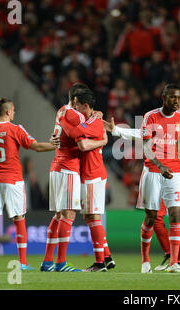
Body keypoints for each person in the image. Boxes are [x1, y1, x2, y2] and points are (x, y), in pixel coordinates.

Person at [104, 98, 180, 271]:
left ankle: (178, 261)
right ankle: (170, 254)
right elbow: (140, 134)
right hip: (160, 175)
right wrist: (117, 130)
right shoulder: (159, 122)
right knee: (156, 217)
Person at [0, 98, 57, 271]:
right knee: (19, 220)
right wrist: (55, 146)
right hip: (13, 181)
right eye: (14, 111)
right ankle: (23, 262)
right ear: (9, 112)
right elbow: (37, 147)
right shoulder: (16, 129)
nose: (14, 114)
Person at [41, 83, 104, 272]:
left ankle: (47, 262)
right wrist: (100, 134)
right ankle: (60, 263)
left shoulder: (61, 111)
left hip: (57, 166)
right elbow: (80, 138)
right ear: (77, 101)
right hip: (68, 167)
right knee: (68, 214)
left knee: (59, 215)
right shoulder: (74, 115)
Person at [138, 83, 180, 273]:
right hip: (153, 171)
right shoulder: (150, 116)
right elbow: (146, 147)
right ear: (163, 98)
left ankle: (174, 263)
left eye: (178, 98)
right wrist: (160, 165)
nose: (176, 101)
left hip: (175, 173)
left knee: (176, 216)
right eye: (172, 97)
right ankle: (145, 260)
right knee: (151, 217)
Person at [58, 88, 115, 272]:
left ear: (86, 105)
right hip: (90, 173)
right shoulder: (94, 120)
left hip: (92, 174)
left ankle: (100, 263)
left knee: (93, 217)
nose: (74, 106)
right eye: (72, 103)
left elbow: (83, 144)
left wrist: (102, 140)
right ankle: (106, 257)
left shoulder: (93, 122)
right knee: (90, 217)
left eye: (77, 104)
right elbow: (103, 134)